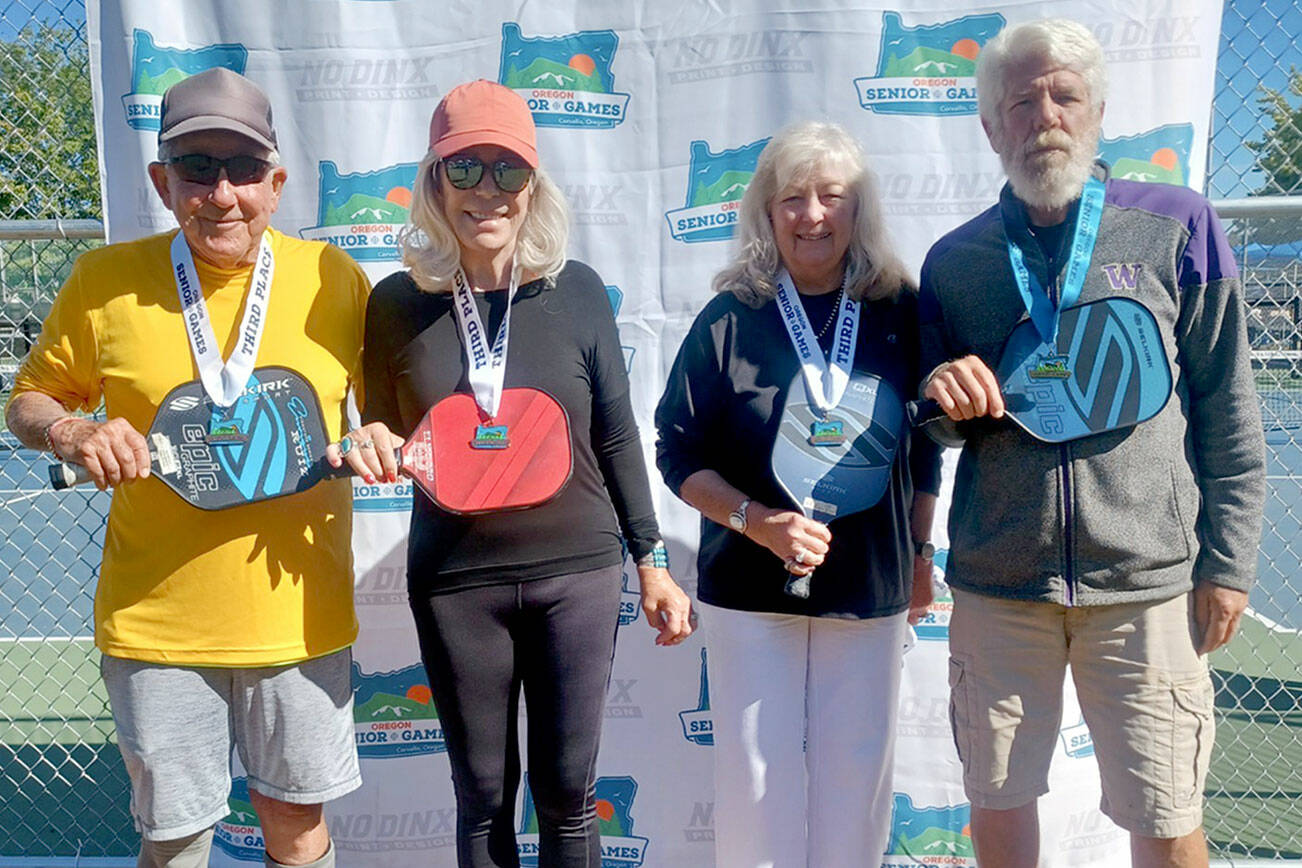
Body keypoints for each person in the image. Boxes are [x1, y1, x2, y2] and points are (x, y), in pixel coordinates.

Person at [5, 68, 387, 868]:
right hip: (157, 625)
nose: (222, 194)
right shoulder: (105, 281)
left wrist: (381, 441)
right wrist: (74, 431)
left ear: (277, 183)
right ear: (161, 180)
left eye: (244, 169)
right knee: (174, 844)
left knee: (298, 835)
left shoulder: (336, 279)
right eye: (197, 167)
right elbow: (30, 399)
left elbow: (385, 415)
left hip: (298, 620)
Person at [918, 18, 1266, 868]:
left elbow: (1228, 407)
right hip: (1001, 585)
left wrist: (1228, 563)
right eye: (1021, 100)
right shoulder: (954, 260)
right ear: (991, 127)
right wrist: (944, 401)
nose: (1046, 114)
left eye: (1065, 95)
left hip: (1145, 585)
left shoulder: (1177, 225)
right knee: (998, 800)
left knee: (1168, 811)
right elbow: (928, 424)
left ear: (1098, 112)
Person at [360, 79, 693, 868]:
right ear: (434, 180)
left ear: (534, 183)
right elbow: (383, 430)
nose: (487, 191)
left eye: (508, 170)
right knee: (481, 805)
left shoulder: (574, 291)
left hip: (575, 576)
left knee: (569, 803)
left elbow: (615, 437)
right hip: (455, 583)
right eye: (464, 168)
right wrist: (369, 437)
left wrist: (650, 564)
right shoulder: (395, 304)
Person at [654, 121, 942, 868]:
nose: (812, 215)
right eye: (792, 198)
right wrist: (755, 522)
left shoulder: (901, 310)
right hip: (749, 589)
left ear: (858, 210)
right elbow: (677, 450)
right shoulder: (730, 317)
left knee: (857, 789)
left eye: (831, 196)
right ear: (766, 212)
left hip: (869, 587)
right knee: (755, 789)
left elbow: (925, 448)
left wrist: (919, 551)